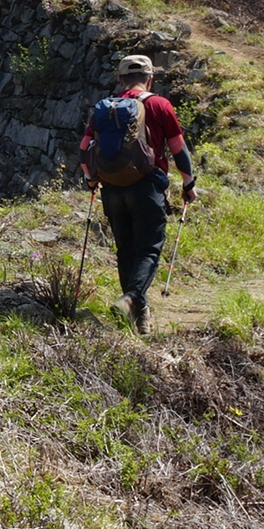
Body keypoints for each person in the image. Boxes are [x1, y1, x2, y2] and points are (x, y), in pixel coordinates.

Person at [77, 53, 197, 330]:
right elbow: (178, 149)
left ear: (120, 80)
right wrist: (188, 183)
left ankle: (138, 318)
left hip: (112, 188)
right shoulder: (159, 105)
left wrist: (90, 179)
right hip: (146, 187)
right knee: (149, 250)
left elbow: (84, 148)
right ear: (150, 79)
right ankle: (131, 299)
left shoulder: (105, 108)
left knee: (126, 251)